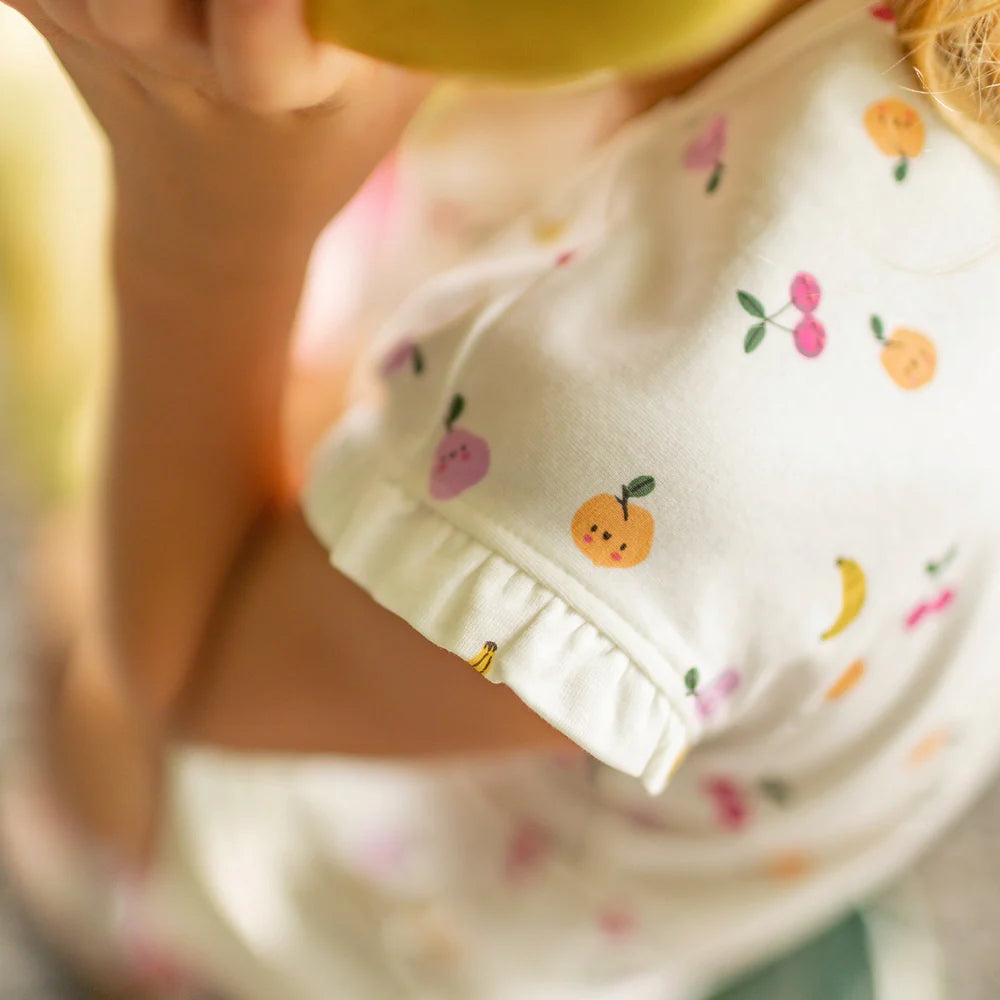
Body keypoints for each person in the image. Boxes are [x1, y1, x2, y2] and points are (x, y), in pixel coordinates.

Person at [1, 0, 998, 996]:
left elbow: (190, 672)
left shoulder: (681, 400)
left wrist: (210, 234)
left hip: (373, 912)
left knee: (91, 677)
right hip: (645, 741)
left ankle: (150, 936)